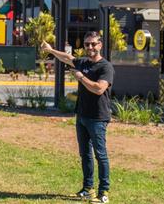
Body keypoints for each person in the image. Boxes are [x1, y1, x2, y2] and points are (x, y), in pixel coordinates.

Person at [41, 31, 114, 203]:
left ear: (100, 45)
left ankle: (104, 192)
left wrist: (81, 77)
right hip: (82, 115)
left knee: (100, 155)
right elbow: (67, 58)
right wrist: (51, 50)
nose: (90, 47)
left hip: (98, 117)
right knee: (85, 154)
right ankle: (88, 188)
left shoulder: (105, 67)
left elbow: (98, 89)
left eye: (93, 44)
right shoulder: (83, 62)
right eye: (87, 44)